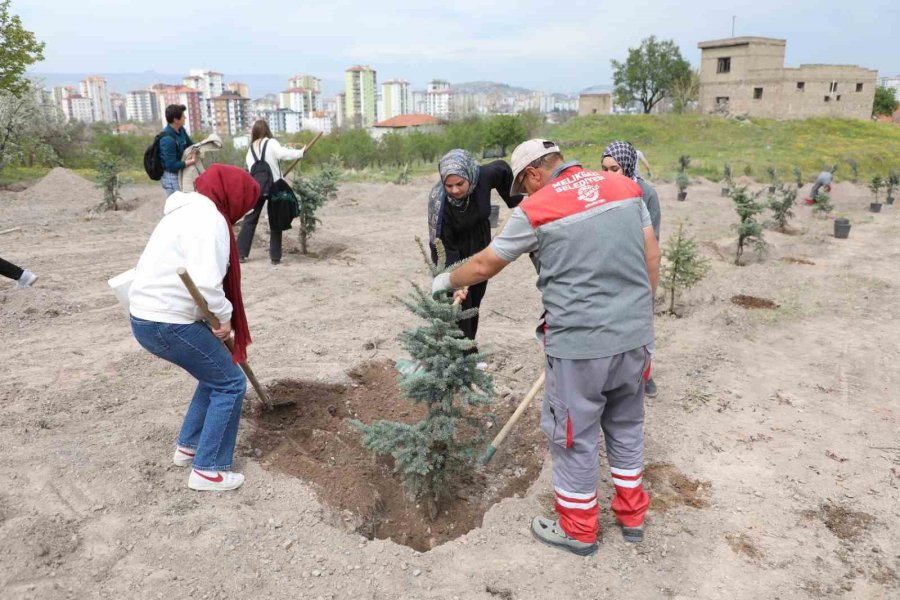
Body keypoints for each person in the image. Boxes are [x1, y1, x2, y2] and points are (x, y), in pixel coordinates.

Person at [433, 139, 660, 556]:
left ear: (534, 173)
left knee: (573, 435)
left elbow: (486, 264)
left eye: (524, 185)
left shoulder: (537, 209)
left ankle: (578, 531)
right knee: (627, 426)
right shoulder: (627, 189)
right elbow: (651, 255)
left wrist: (445, 281)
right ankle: (632, 517)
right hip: (635, 338)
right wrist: (639, 322)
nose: (524, 193)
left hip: (578, 345)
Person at [129, 164, 259, 492]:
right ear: (234, 196)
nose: (242, 215)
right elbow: (206, 283)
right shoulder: (209, 221)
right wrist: (225, 318)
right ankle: (209, 469)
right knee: (230, 383)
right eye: (244, 205)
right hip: (167, 321)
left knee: (215, 373)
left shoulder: (184, 211)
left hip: (146, 317)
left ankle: (188, 447)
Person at [427, 149, 523, 355]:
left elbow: (503, 169)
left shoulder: (484, 175)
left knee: (476, 298)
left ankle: (469, 345)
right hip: (455, 250)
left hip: (481, 242)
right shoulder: (440, 204)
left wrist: (516, 202)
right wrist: (453, 279)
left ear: (470, 177)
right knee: (461, 301)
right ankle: (464, 354)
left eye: (459, 184)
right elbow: (441, 245)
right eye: (449, 185)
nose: (454, 190)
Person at [602, 140, 660, 398]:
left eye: (614, 169)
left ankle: (644, 375)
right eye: (604, 168)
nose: (608, 175)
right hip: (608, 265)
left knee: (641, 324)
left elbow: (652, 241)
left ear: (626, 166)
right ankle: (609, 375)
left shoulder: (646, 194)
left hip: (635, 267)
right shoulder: (599, 190)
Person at [238, 120, 305, 265]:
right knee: (275, 219)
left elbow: (250, 169)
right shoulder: (271, 142)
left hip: (256, 187)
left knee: (250, 219)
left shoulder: (251, 149)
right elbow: (283, 154)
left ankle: (241, 254)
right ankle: (275, 257)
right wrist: (300, 152)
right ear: (267, 130)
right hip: (274, 186)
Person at [159, 104, 196, 197]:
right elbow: (171, 166)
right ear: (176, 120)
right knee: (177, 206)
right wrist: (189, 162)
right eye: (183, 116)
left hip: (180, 172)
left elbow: (190, 144)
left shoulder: (181, 130)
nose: (185, 118)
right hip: (171, 177)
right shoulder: (167, 139)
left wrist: (198, 148)